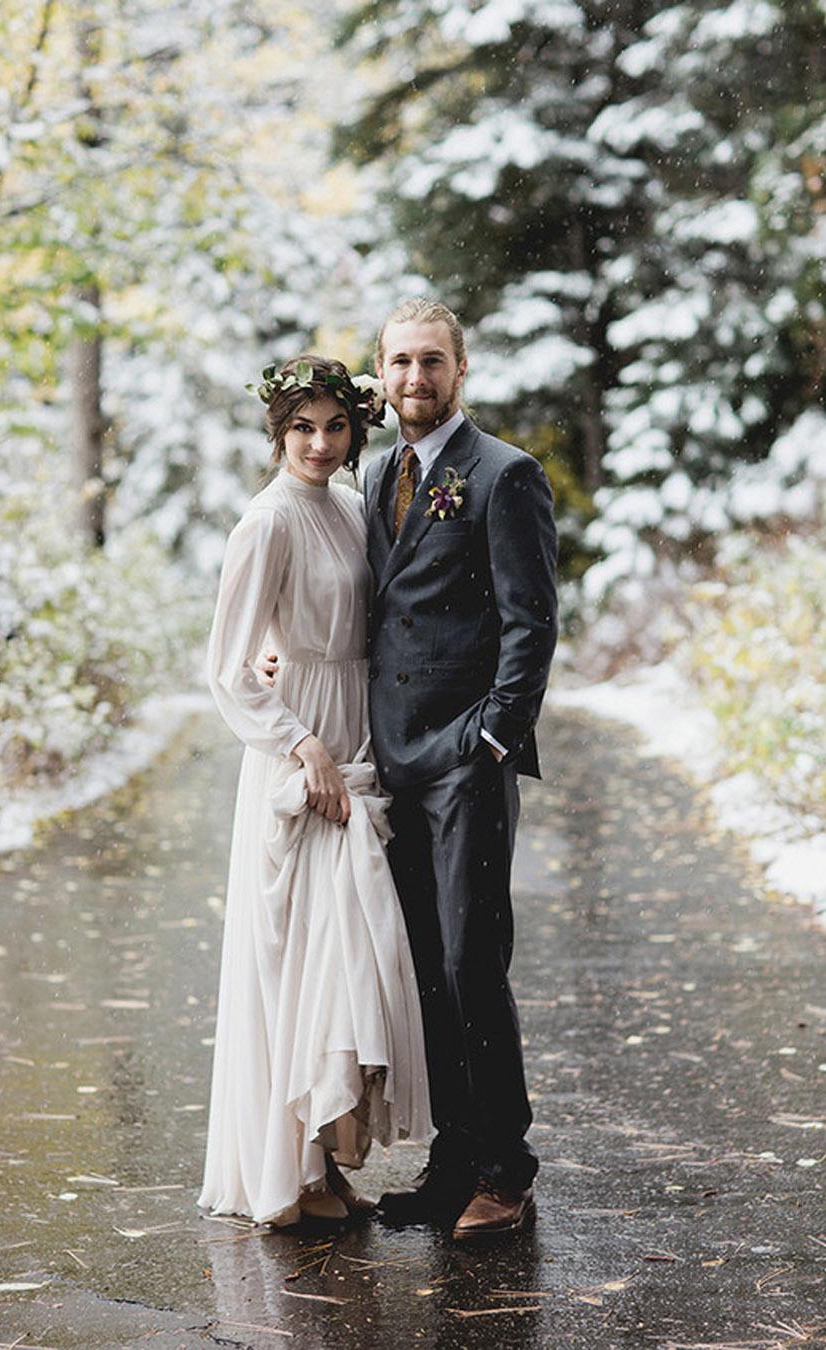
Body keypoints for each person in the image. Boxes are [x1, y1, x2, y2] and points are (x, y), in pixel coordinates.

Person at [198, 355, 432, 1230]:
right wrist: (303, 747)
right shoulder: (265, 522)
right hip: (300, 749)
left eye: (336, 427)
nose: (321, 445)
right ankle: (286, 1169)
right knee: (296, 952)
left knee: (346, 955)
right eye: (304, 428)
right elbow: (227, 669)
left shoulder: (350, 505)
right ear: (279, 431)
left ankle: (327, 1157)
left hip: (359, 727)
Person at [365, 298, 559, 1240]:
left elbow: (533, 623)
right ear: (380, 369)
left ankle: (506, 1170)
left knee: (471, 963)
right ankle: (453, 1158)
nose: (415, 378)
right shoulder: (376, 475)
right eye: (400, 361)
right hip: (395, 759)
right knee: (425, 973)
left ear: (461, 369)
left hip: (465, 762)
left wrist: (491, 738)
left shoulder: (503, 475)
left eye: (431, 361)